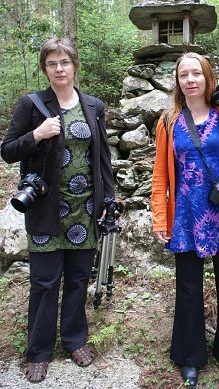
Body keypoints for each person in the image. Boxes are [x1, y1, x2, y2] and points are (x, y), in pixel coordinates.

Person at [1, 37, 114, 383]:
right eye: (52, 63)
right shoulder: (32, 105)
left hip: (85, 210)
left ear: (75, 65)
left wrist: (109, 200)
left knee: (78, 279)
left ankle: (75, 339)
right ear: (45, 68)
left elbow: (103, 159)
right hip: (48, 209)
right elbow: (7, 150)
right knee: (45, 282)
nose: (59, 69)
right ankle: (39, 351)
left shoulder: (93, 106)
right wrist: (36, 134)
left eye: (65, 62)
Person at [151, 52, 219, 386]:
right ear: (178, 81)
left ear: (207, 77)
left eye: (196, 73)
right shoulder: (169, 120)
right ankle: (190, 357)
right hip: (186, 213)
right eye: (184, 74)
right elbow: (160, 174)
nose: (190, 80)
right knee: (187, 288)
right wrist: (160, 217)